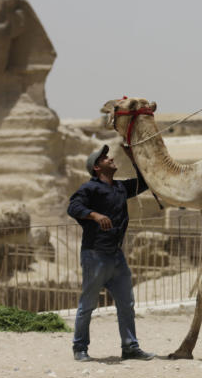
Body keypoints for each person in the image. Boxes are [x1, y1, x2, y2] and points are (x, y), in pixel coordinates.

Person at [67, 145, 156, 362]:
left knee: (126, 304)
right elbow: (73, 207)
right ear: (97, 167)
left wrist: (133, 157)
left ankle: (130, 347)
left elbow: (144, 180)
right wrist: (94, 215)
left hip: (117, 257)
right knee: (87, 305)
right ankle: (80, 348)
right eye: (106, 158)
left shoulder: (120, 188)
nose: (111, 158)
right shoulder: (90, 188)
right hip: (95, 255)